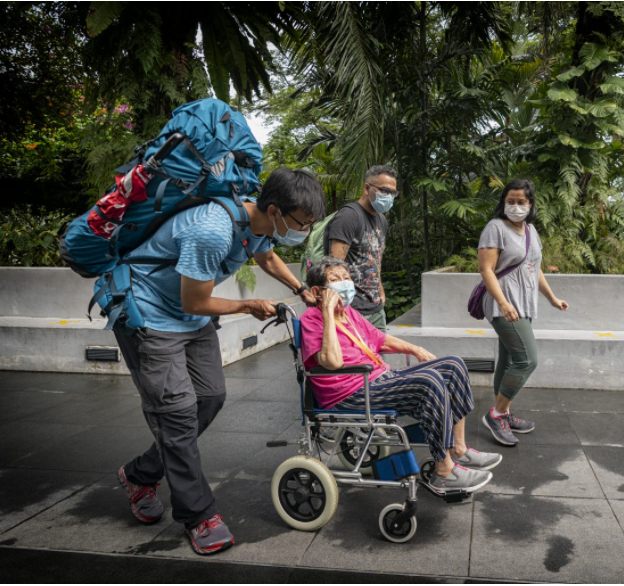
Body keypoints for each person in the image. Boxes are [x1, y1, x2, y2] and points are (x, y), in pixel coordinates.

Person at [113, 168, 326, 555]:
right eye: (302, 223)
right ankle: (199, 515)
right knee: (175, 413)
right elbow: (194, 300)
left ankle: (140, 473)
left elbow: (266, 255)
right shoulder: (212, 229)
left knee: (210, 398)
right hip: (149, 313)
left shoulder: (260, 224)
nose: (305, 232)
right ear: (275, 209)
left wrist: (300, 288)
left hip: (189, 317)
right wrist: (247, 304)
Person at [300, 257, 501, 493]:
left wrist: (415, 349)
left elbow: (380, 339)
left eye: (346, 278)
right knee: (429, 382)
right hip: (350, 393)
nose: (344, 284)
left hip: (377, 379)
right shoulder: (312, 320)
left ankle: (459, 449)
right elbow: (332, 362)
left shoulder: (350, 314)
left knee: (453, 366)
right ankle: (444, 472)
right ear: (317, 291)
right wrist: (326, 312)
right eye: (335, 280)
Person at [477, 179, 569, 447]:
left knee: (508, 360)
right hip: (502, 303)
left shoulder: (530, 230)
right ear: (503, 202)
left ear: (530, 205)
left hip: (524, 303)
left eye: (522, 202)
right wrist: (504, 303)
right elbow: (486, 270)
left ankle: (503, 413)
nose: (516, 206)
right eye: (511, 201)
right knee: (527, 359)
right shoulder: (495, 228)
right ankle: (496, 414)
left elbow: (534, 267)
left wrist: (552, 298)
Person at [325, 165, 397, 331]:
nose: (389, 196)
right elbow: (333, 265)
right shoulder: (349, 216)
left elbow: (376, 259)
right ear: (367, 188)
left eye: (393, 193)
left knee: (379, 357)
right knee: (357, 357)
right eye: (384, 190)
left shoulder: (382, 220)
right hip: (352, 308)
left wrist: (380, 290)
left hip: (376, 308)